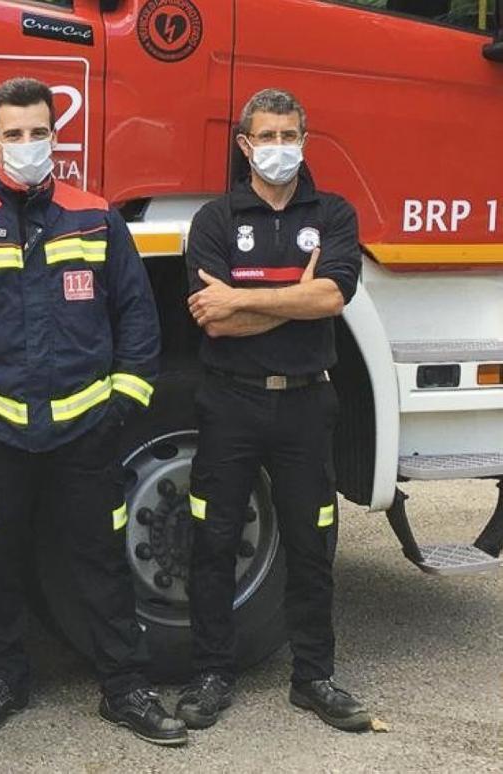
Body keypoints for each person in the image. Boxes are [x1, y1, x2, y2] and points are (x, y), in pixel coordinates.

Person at [0, 77, 186, 747]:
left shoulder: (96, 217)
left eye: (37, 132)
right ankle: (3, 679)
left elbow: (136, 315)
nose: (26, 145)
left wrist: (123, 404)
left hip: (85, 432)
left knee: (99, 557)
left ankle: (124, 687)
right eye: (12, 134)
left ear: (54, 135)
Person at [178, 87, 367, 732]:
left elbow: (333, 300)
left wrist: (246, 298)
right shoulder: (215, 219)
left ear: (304, 141)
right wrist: (295, 292)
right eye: (268, 137)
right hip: (229, 402)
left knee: (312, 542)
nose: (279, 149)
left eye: (290, 136)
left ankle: (314, 678)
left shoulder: (334, 213)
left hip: (307, 403)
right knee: (214, 539)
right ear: (245, 145)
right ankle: (211, 673)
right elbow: (213, 321)